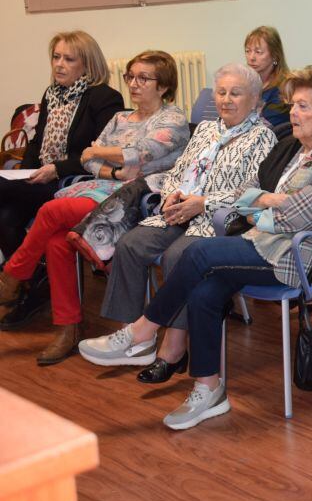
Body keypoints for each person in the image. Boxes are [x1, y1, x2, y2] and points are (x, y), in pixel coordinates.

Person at [80, 68, 312, 430]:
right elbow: (247, 197)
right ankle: (208, 389)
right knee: (205, 290)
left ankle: (142, 331)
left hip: (303, 255)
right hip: (266, 243)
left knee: (197, 253)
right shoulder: (296, 148)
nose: (292, 113)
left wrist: (264, 209)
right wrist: (266, 202)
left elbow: (298, 214)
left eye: (303, 106)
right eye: (293, 105)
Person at [80, 64, 276, 374]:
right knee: (131, 244)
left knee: (177, 256)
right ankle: (135, 340)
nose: (226, 99)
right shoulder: (207, 130)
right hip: (178, 210)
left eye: (235, 93)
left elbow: (251, 194)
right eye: (221, 92)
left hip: (218, 220)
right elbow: (179, 170)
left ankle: (174, 348)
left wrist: (202, 203)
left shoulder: (262, 137)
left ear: (254, 98)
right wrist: (172, 194)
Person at [0, 51, 188, 363]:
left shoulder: (173, 119)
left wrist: (107, 156)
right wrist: (113, 167)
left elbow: (139, 154)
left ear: (164, 86)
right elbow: (90, 159)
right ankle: (68, 327)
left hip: (135, 202)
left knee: (51, 212)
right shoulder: (119, 118)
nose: (134, 84)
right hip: (101, 189)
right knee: (56, 241)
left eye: (144, 78)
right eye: (131, 76)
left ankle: (14, 275)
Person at [0, 31, 123, 278]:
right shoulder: (52, 94)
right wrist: (26, 172)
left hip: (74, 181)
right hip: (42, 178)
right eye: (56, 57)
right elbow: (37, 143)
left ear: (87, 65)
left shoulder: (104, 97)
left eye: (69, 59)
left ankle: (15, 279)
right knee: (5, 216)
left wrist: (56, 169)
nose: (59, 64)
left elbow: (99, 156)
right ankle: (31, 281)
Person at [244, 25, 290, 130]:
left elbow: (263, 128)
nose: (251, 58)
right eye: (248, 51)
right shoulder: (245, 84)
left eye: (258, 52)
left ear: (275, 55)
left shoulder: (283, 90)